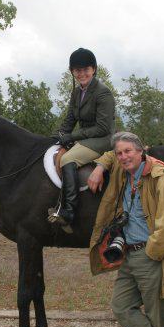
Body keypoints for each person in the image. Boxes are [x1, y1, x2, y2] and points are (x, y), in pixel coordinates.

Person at [87, 132, 164, 327]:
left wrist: (152, 252)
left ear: (141, 151)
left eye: (128, 151)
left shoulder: (159, 177)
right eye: (119, 153)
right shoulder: (126, 172)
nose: (123, 156)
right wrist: (100, 166)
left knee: (157, 314)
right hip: (129, 255)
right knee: (121, 305)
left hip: (152, 253)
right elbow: (109, 154)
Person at [47, 47, 115, 232]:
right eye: (77, 70)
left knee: (68, 158)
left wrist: (72, 136)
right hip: (86, 138)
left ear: (93, 69)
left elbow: (102, 127)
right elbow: (70, 120)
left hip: (103, 139)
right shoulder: (77, 92)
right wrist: (57, 136)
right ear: (72, 72)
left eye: (85, 69)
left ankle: (69, 211)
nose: (81, 73)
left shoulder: (103, 93)